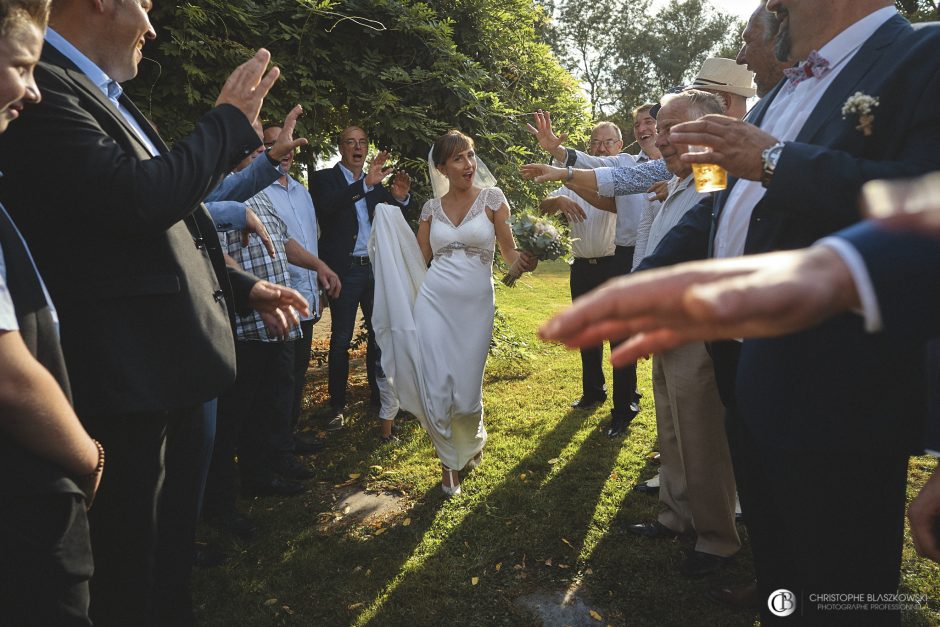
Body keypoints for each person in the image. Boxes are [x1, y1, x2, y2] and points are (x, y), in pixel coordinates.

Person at [548, 0, 940, 621]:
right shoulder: (781, 93)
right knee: (781, 558)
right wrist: (645, 284)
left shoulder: (924, 55)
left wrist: (780, 160)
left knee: (843, 589)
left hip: (842, 394)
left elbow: (926, 199)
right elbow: (715, 206)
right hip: (751, 371)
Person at [0, 1, 308, 623]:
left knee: (164, 560)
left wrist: (242, 284)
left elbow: (169, 221)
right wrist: (227, 121)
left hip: (162, 373)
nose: (151, 25)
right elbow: (133, 200)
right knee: (130, 574)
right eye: (143, 4)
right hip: (124, 379)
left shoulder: (95, 90)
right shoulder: (46, 88)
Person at [0, 1, 101, 624]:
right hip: (28, 505)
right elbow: (10, 378)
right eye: (21, 66)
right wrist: (88, 458)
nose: (34, 92)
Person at [370, 130, 536, 495]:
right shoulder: (431, 210)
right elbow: (417, 260)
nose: (469, 165)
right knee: (437, 387)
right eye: (459, 158)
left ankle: (471, 439)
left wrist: (521, 262)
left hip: (475, 307)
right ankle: (448, 464)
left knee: (465, 396)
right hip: (434, 302)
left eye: (471, 156)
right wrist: (389, 218)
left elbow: (508, 255)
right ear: (442, 167)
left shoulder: (493, 200)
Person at [619, 91, 740, 578]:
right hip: (665, 323)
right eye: (660, 129)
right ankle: (675, 514)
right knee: (670, 425)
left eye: (672, 130)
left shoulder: (713, 177)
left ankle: (716, 539)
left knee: (701, 433)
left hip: (697, 327)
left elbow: (701, 240)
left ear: (703, 128)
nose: (663, 140)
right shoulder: (676, 182)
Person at [311, 125, 411, 432]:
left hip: (374, 269)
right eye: (351, 142)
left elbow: (391, 216)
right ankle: (336, 406)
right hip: (345, 270)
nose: (357, 147)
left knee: (380, 335)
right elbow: (328, 208)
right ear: (340, 148)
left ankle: (379, 399)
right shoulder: (323, 179)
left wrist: (400, 197)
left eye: (363, 143)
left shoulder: (376, 184)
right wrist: (363, 185)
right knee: (340, 340)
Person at [539, 122, 628, 429]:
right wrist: (559, 200)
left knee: (619, 337)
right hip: (581, 267)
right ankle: (593, 392)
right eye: (596, 143)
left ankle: (625, 401)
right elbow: (543, 204)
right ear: (589, 146)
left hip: (614, 265)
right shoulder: (571, 179)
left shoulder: (620, 180)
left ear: (620, 145)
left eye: (608, 142)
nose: (601, 148)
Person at [261, 123, 328, 452]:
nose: (283, 151)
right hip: (280, 297)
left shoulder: (302, 192)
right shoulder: (258, 192)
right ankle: (275, 446)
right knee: (279, 378)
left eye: (286, 145)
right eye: (273, 144)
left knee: (297, 373)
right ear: (263, 149)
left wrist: (318, 280)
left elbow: (311, 240)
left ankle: (288, 435)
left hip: (307, 296)